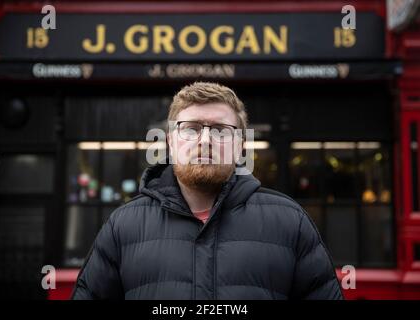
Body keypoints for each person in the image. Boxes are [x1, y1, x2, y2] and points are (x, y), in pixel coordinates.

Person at [72, 82, 343, 300]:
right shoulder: (123, 226)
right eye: (190, 129)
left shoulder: (290, 222)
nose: (205, 140)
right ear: (170, 141)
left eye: (220, 130)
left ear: (240, 145)